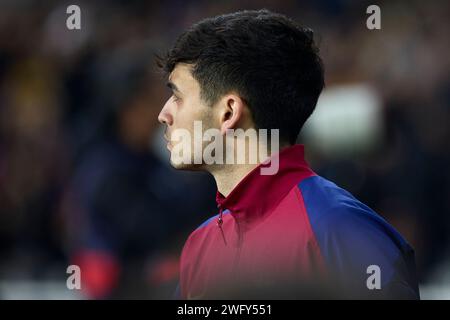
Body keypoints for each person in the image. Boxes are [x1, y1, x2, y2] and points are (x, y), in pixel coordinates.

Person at [157, 9, 419, 299]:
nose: (164, 114)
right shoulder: (199, 247)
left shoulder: (339, 230)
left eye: (178, 96)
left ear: (229, 111)